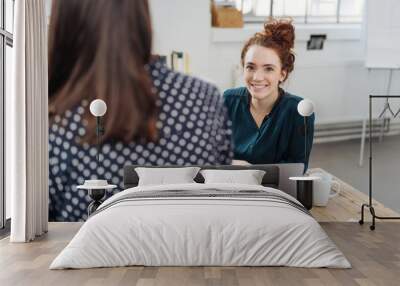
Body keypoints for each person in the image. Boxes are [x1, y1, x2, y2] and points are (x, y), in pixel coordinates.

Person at [48, 0, 233, 221]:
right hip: (192, 252)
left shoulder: (56, 119)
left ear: (64, 23)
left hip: (89, 252)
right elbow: (222, 192)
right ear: (141, 16)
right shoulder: (205, 99)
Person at [223, 19, 314, 171]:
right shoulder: (228, 100)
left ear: (282, 74)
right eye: (250, 67)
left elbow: (298, 169)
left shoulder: (299, 112)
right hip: (228, 185)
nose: (257, 77)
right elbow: (210, 153)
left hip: (274, 191)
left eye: (268, 69)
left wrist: (251, 170)